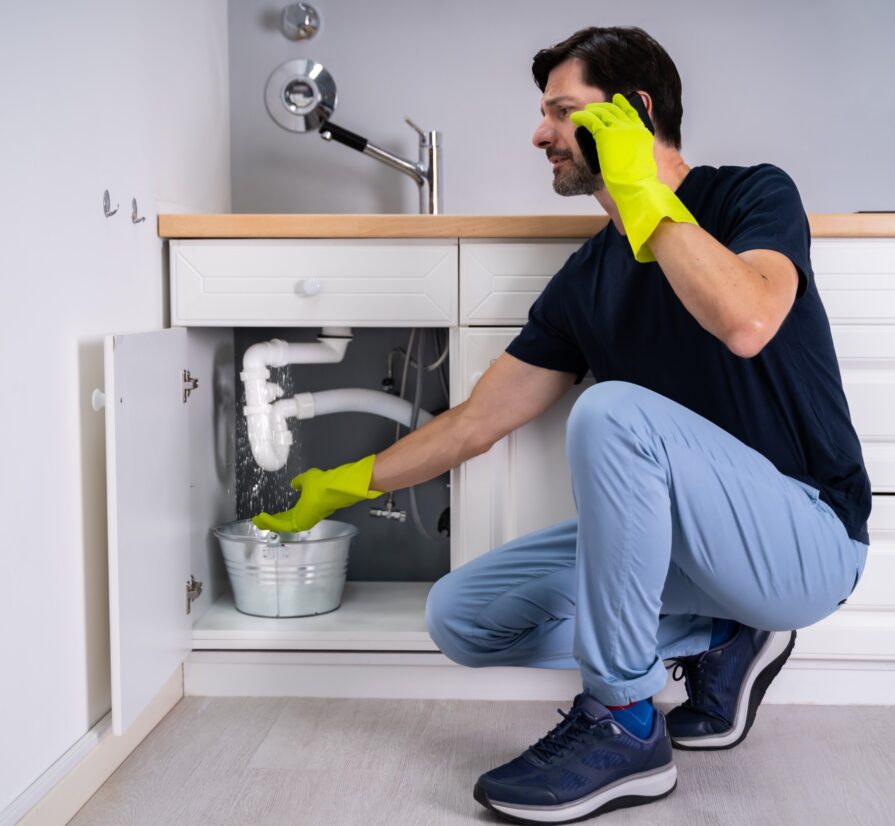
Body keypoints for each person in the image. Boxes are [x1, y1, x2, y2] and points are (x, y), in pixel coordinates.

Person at [254, 25, 871, 825]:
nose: (539, 133)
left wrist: (644, 195)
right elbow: (477, 421)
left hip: (806, 538)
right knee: (460, 616)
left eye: (561, 111)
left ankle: (623, 720)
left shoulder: (749, 196)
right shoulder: (587, 279)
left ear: (632, 113)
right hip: (695, 556)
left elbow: (747, 319)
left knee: (613, 412)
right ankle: (725, 634)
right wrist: (340, 484)